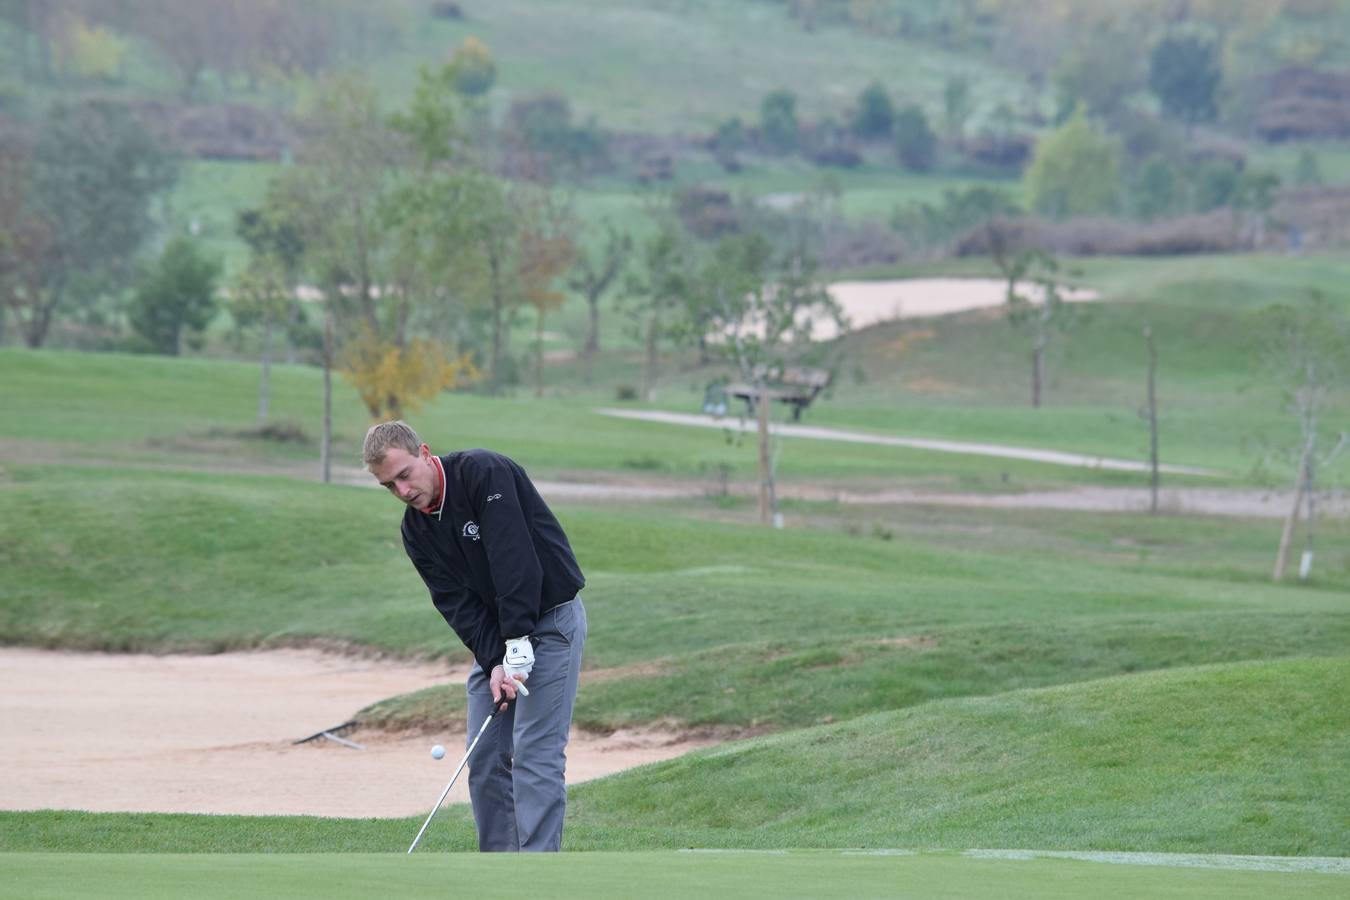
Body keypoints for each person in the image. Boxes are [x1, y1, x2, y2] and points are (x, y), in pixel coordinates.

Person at [362, 420, 587, 852]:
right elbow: (457, 605)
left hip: (551, 622)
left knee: (535, 755)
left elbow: (514, 557)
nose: (403, 492)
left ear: (425, 452)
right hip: (501, 641)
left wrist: (519, 639)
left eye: (405, 475)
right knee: (484, 757)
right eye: (389, 486)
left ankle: (536, 875)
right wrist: (496, 659)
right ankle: (499, 872)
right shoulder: (416, 531)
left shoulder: (483, 472)